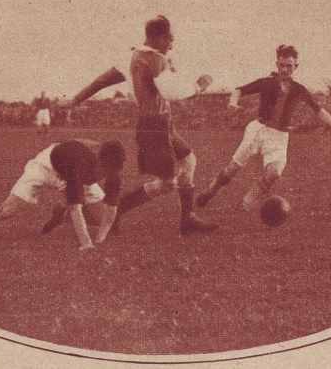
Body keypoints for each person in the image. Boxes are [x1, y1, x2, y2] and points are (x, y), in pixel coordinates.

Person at [65, 15, 217, 236]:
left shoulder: (133, 56)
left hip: (159, 125)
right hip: (156, 128)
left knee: (189, 162)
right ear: (158, 39)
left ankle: (188, 218)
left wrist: (77, 99)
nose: (172, 44)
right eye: (169, 39)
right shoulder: (155, 60)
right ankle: (115, 214)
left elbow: (102, 80)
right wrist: (199, 86)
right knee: (167, 183)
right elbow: (171, 92)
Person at [195, 45, 331, 210]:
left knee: (274, 173)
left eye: (289, 65)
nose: (285, 69)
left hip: (280, 136)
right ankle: (211, 191)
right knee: (232, 169)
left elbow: (318, 110)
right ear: (277, 64)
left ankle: (246, 203)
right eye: (282, 65)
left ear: (295, 66)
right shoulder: (267, 82)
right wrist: (233, 102)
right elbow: (239, 90)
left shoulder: (299, 90)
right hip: (258, 130)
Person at [0, 139, 126, 250]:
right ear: (100, 162)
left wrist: (100, 240)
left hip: (72, 171)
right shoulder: (80, 165)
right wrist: (86, 244)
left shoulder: (113, 169)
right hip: (46, 166)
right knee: (6, 210)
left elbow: (111, 210)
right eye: (104, 170)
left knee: (100, 218)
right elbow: (77, 207)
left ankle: (61, 212)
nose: (106, 176)